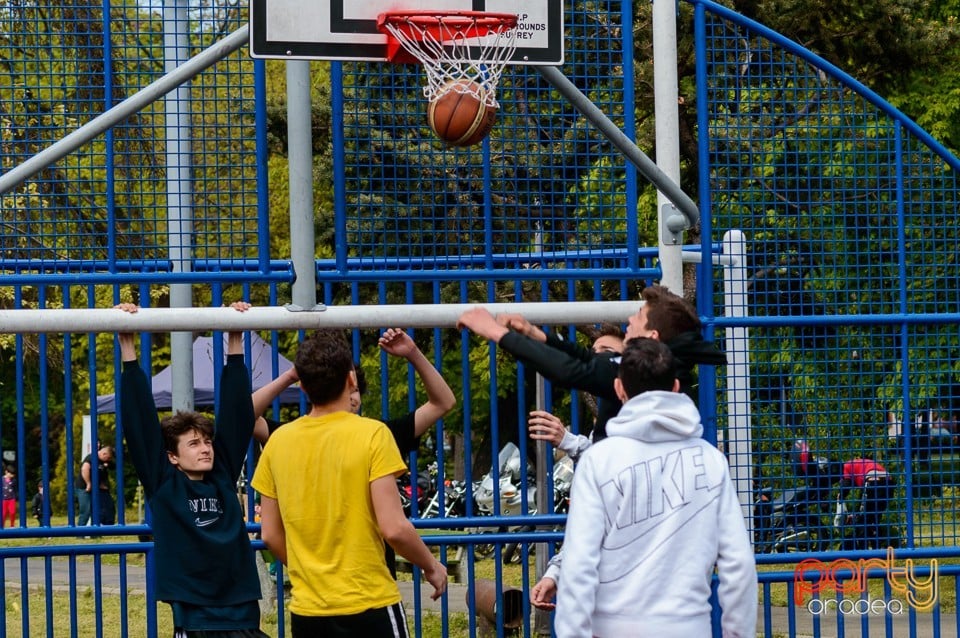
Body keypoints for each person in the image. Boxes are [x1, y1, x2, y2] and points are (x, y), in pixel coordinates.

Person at [553, 338, 756, 637]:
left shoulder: (599, 461)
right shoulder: (711, 460)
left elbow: (579, 564)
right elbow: (738, 564)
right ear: (675, 387)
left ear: (619, 389)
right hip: (689, 627)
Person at [251, 328, 447, 638]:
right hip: (368, 602)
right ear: (351, 379)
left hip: (309, 609)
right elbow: (394, 528)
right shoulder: (373, 435)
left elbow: (271, 534)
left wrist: (311, 572)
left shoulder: (279, 442)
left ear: (302, 385)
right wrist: (432, 566)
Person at [116, 301, 269, 638]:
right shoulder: (164, 482)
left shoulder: (222, 474)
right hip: (196, 615)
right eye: (194, 444)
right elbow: (140, 423)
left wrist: (234, 338)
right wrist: (127, 346)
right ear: (173, 456)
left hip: (241, 610)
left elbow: (235, 415)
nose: (205, 449)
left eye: (207, 442)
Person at [835, 457, 896, 550]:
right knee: (873, 518)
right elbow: (862, 501)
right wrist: (855, 514)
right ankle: (877, 548)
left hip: (873, 481)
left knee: (863, 520)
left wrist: (840, 496)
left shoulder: (845, 467)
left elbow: (845, 487)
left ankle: (863, 550)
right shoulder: (856, 465)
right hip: (888, 482)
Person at [75, 444, 116, 526]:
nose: (108, 460)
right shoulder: (91, 457)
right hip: (84, 488)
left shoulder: (102, 460)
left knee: (96, 511)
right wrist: (88, 483)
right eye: (107, 458)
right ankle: (80, 533)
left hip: (94, 488)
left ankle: (95, 532)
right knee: (86, 510)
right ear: (104, 454)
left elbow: (112, 466)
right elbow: (85, 469)